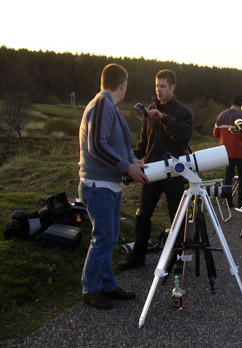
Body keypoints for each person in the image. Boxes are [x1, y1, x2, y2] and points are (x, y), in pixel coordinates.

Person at [78, 63, 148, 309]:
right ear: (123, 84)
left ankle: (108, 285)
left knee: (110, 237)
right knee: (104, 237)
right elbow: (96, 146)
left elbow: (116, 143)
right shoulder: (100, 106)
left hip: (109, 185)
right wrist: (126, 167)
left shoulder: (110, 107)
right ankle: (91, 289)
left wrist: (132, 159)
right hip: (98, 186)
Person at [119, 69, 193, 271]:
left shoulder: (183, 112)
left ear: (172, 87)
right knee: (142, 215)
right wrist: (129, 158)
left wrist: (164, 118)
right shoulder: (148, 110)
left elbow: (183, 137)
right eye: (156, 86)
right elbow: (144, 143)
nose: (158, 90)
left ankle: (178, 259)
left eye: (162, 86)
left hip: (175, 173)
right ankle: (138, 257)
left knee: (176, 219)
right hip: (151, 170)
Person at [213, 94, 242, 207]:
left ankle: (227, 201)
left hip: (226, 152)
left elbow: (215, 134)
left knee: (228, 177)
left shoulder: (221, 115)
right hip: (241, 152)